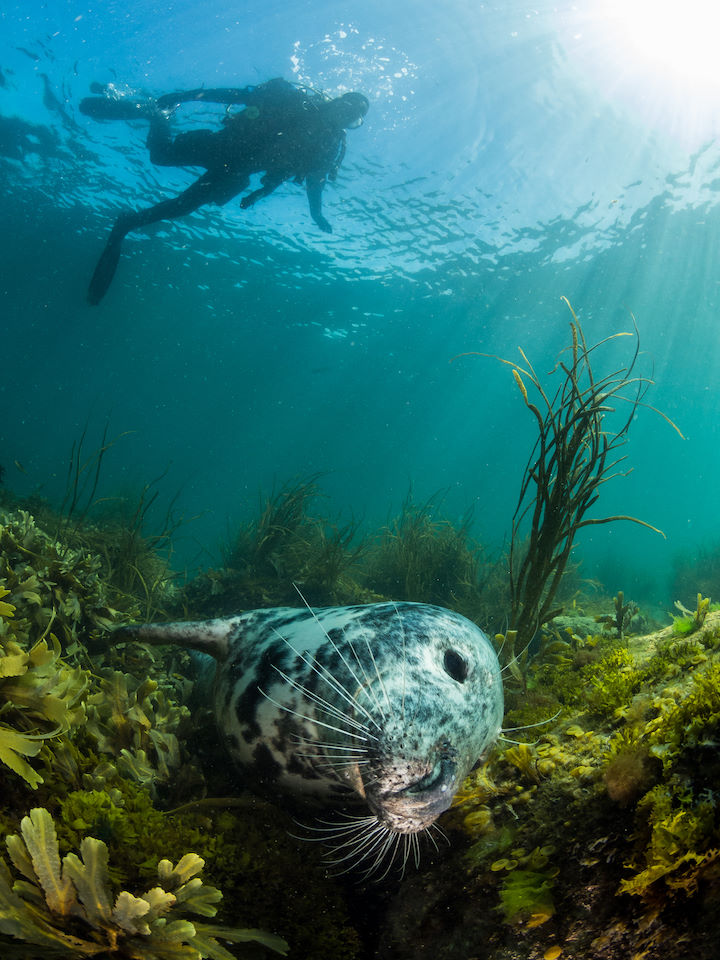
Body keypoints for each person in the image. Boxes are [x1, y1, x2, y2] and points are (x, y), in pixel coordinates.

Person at [82, 78, 369, 304]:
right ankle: (157, 116)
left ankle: (128, 223)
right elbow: (233, 95)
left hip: (236, 173)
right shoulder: (293, 100)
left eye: (353, 118)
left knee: (183, 206)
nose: (346, 116)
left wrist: (314, 213)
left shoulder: (328, 146)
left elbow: (314, 182)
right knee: (160, 156)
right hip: (220, 145)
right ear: (337, 101)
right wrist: (184, 96)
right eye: (347, 108)